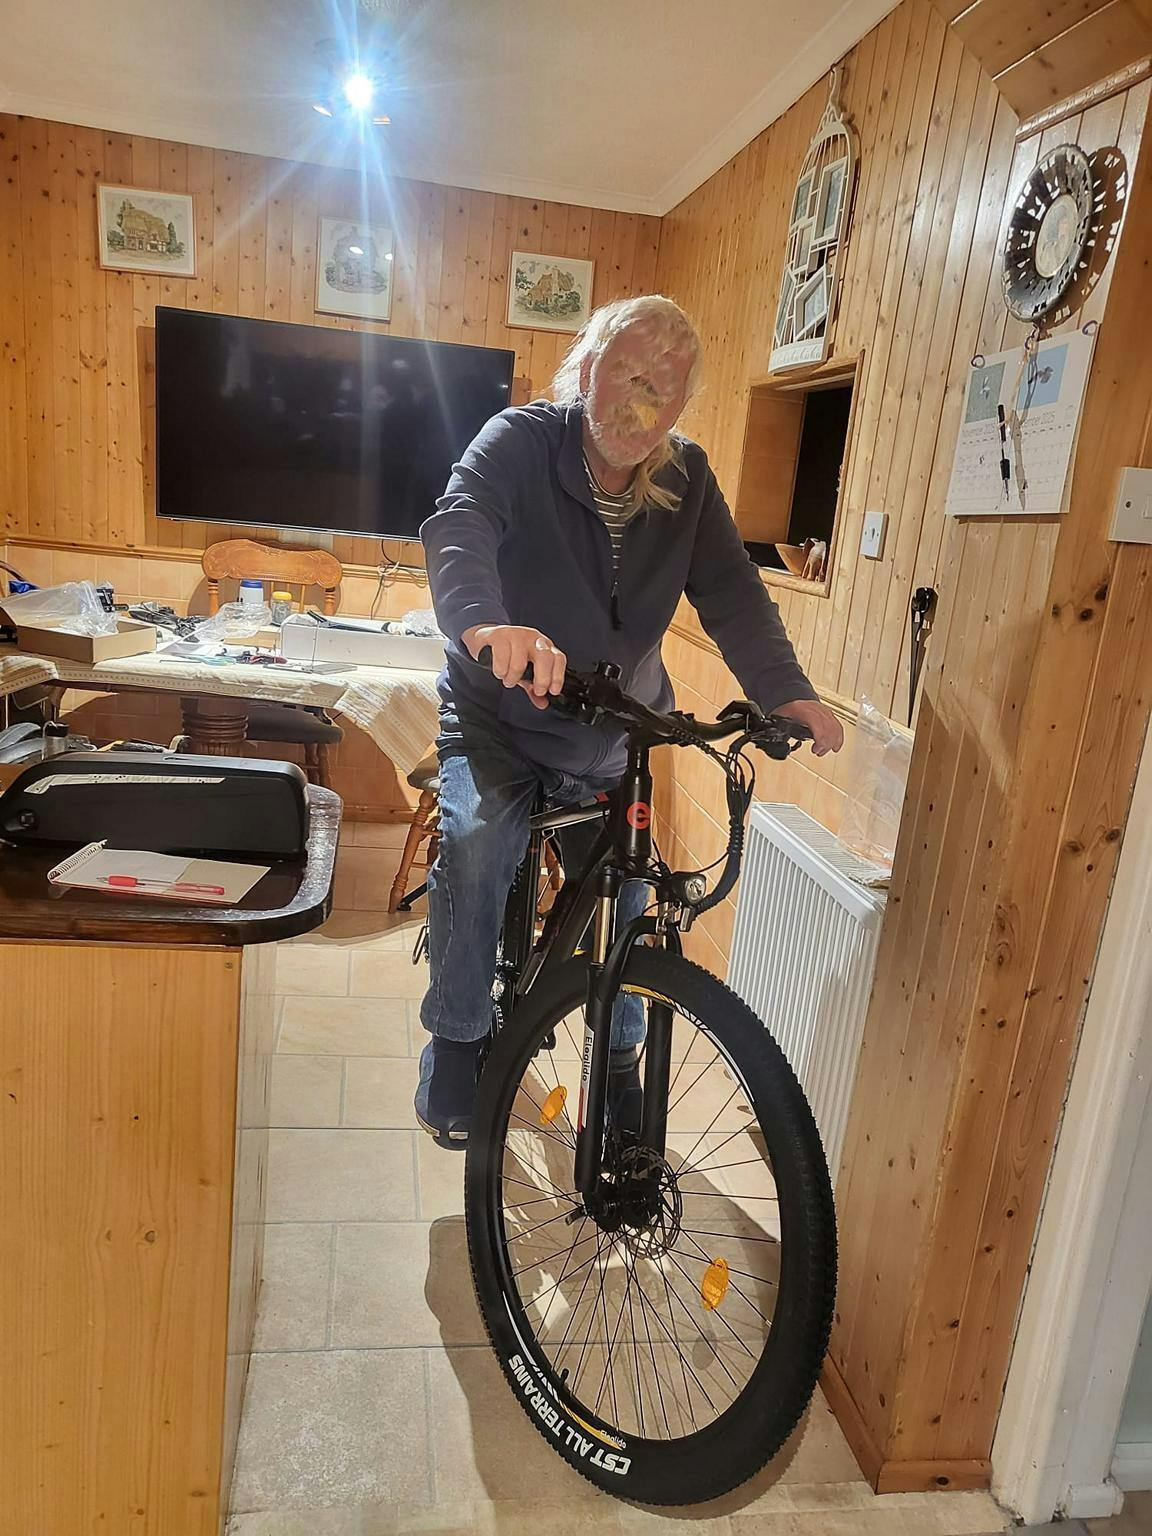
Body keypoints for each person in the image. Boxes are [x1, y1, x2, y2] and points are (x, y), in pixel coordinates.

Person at [415, 295, 843, 1146]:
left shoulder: (686, 479)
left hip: (611, 726)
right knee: (476, 840)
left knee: (630, 894)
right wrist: (487, 626)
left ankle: (616, 1065)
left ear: (683, 405)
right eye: (628, 372)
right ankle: (457, 1041)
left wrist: (784, 689)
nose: (643, 399)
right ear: (587, 369)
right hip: (500, 714)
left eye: (666, 385)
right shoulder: (520, 441)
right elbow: (461, 525)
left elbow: (732, 591)